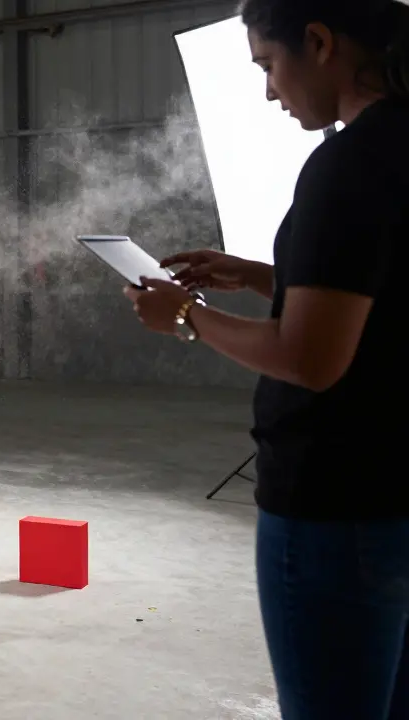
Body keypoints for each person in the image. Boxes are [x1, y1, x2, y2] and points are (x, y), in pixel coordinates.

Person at [126, 1, 409, 716]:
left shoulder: (346, 167)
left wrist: (186, 314)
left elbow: (309, 357)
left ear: (318, 43)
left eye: (267, 65)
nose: (268, 91)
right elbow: (383, 293)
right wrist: (259, 275)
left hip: (337, 506)